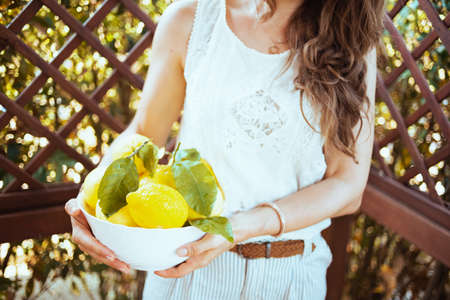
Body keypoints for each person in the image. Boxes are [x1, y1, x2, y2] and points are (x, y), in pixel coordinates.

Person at [64, 0, 384, 298]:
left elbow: (347, 184)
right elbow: (145, 134)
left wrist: (241, 227)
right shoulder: (193, 18)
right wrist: (93, 202)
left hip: (292, 277)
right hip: (185, 271)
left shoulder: (351, 40)